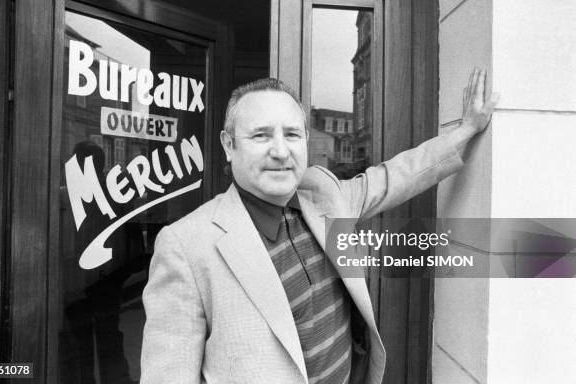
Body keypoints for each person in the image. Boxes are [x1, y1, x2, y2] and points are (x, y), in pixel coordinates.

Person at [140, 69, 498, 384]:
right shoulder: (186, 244)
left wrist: (467, 130)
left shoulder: (323, 194)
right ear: (229, 145)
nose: (280, 151)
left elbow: (396, 176)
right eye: (261, 135)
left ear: (306, 142)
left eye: (292, 135)